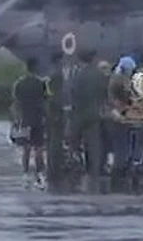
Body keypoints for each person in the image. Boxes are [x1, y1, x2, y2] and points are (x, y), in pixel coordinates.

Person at [70, 50, 109, 192]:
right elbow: (104, 92)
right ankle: (94, 172)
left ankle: (78, 166)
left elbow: (73, 92)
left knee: (75, 142)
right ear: (93, 59)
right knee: (94, 144)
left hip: (79, 113)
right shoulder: (99, 75)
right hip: (94, 114)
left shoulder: (77, 75)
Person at [12, 57, 48, 188]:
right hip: (38, 119)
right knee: (39, 148)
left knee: (26, 148)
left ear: (26, 68)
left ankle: (26, 172)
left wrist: (16, 119)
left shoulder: (19, 83)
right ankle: (40, 172)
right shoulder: (41, 83)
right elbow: (44, 101)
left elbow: (16, 103)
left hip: (25, 119)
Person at [45, 52, 66, 187]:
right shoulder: (58, 74)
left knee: (52, 140)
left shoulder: (51, 73)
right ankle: (54, 168)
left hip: (52, 109)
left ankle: (53, 166)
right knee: (56, 141)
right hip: (56, 110)